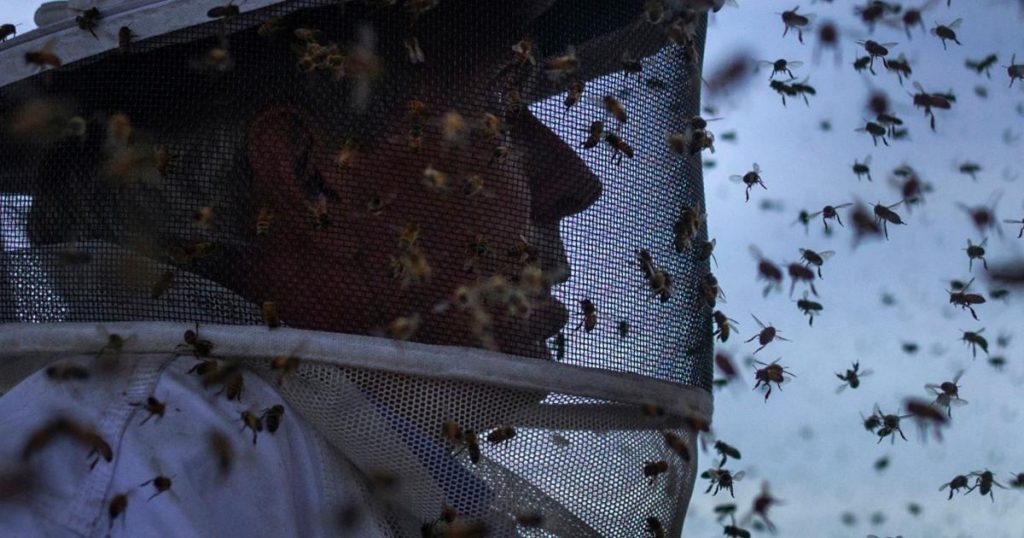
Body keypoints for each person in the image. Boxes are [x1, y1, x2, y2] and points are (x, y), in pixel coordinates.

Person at [0, 1, 714, 536]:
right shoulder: (146, 475)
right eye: (501, 99)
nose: (577, 181)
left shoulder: (316, 458)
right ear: (315, 177)